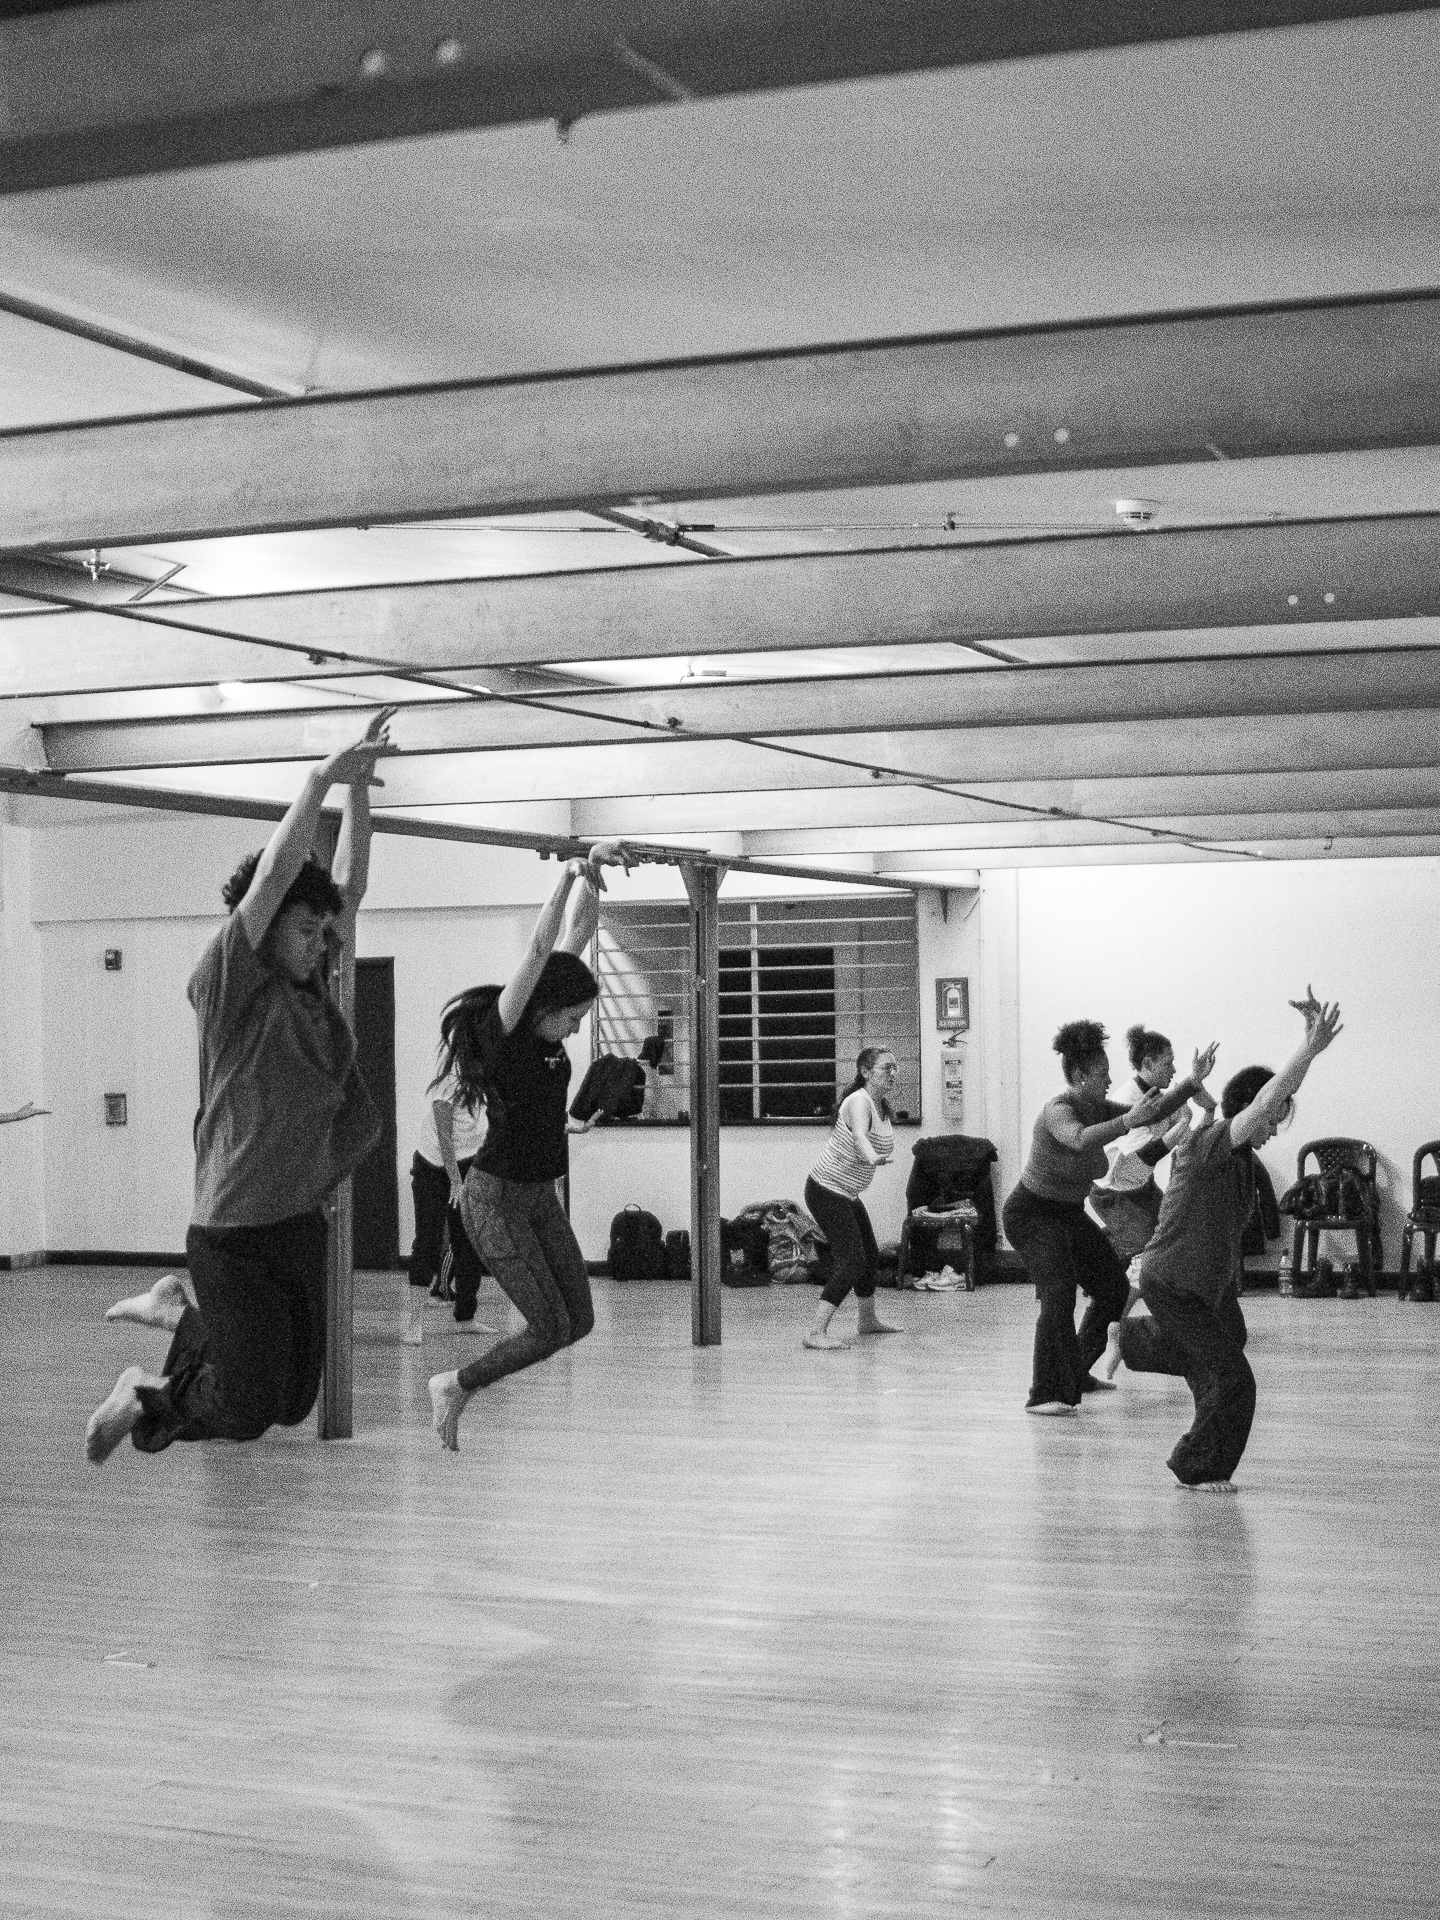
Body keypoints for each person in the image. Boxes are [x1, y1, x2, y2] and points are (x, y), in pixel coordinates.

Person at [85, 711, 393, 1462]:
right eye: (303, 930)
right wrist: (321, 778)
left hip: (299, 1222)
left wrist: (358, 792)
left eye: (322, 933)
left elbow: (349, 885)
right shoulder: (232, 986)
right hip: (234, 1229)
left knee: (292, 1401)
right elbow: (278, 874)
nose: (319, 943)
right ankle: (142, 1392)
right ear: (263, 926)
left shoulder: (315, 992)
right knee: (248, 1406)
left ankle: (176, 1314)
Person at [428, 843, 626, 1453]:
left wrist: (593, 869)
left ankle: (459, 1385)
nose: (575, 1028)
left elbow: (578, 933)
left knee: (578, 1322)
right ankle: (454, 1386)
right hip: (496, 1199)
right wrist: (565, 874)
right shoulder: (508, 1029)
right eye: (572, 1018)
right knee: (546, 1328)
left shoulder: (546, 1029)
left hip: (540, 1195)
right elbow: (541, 949)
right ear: (541, 1006)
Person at [1102, 990, 1342, 1489]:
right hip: (1175, 1282)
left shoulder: (1239, 1158)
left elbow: (1264, 1102)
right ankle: (1197, 1467)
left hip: (1207, 1287)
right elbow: (1267, 1098)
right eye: (1273, 1118)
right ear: (1253, 1110)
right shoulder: (1212, 1143)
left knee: (1229, 1342)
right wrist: (1309, 1048)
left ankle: (1133, 1339)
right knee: (1234, 1381)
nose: (1275, 1128)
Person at [1002, 1020, 1217, 1415]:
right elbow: (1079, 1138)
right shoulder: (1058, 1109)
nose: (1109, 1080)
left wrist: (1191, 1082)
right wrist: (1127, 1121)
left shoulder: (1096, 1107)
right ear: (1079, 1076)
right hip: (1031, 1215)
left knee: (1113, 1289)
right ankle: (1044, 1393)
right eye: (1101, 1073)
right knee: (1058, 1295)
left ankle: (1076, 1371)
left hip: (1068, 1213)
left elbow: (1154, 1110)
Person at [1090, 1023, 1215, 1313]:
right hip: (1113, 1193)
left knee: (1173, 1240)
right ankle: (1110, 1321)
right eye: (1168, 1063)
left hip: (1141, 1187)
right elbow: (1144, 1156)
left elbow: (1191, 1144)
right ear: (1147, 1064)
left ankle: (1109, 1251)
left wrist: (1209, 1109)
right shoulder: (1127, 1099)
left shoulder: (1161, 1096)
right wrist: (1184, 1118)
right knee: (1146, 1255)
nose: (1174, 1070)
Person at [802, 1046, 900, 1350]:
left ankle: (867, 1320)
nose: (892, 1073)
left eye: (894, 1067)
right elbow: (859, 1136)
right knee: (853, 1260)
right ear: (866, 1072)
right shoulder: (859, 1101)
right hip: (825, 1190)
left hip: (847, 1193)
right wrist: (871, 1157)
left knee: (870, 1254)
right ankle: (815, 1332)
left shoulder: (881, 1105)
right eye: (885, 1068)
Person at [403, 1067, 489, 1344]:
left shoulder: (492, 1079)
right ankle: (414, 1323)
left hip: (468, 1163)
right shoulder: (448, 1083)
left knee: (469, 1242)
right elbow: (444, 1136)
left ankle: (466, 1318)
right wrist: (455, 1181)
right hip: (432, 1166)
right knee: (427, 1241)